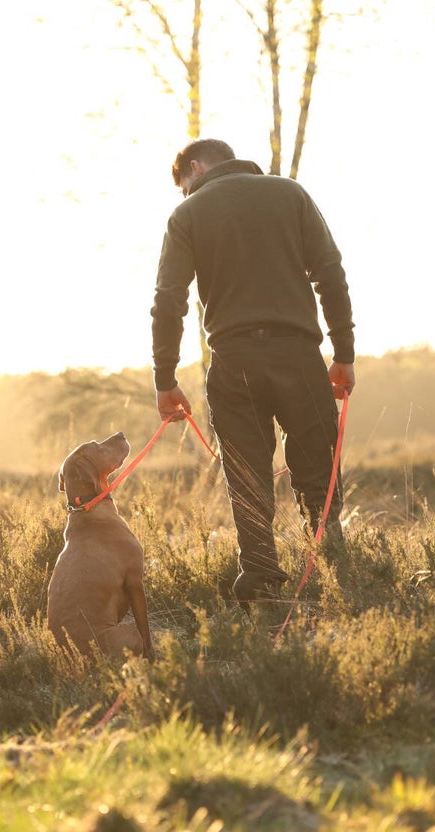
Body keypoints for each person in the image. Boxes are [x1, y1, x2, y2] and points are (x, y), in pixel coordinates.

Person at [151, 138, 355, 611]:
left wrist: (165, 379)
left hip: (234, 361)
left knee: (247, 477)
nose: (184, 195)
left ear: (195, 168)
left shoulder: (188, 215)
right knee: (317, 473)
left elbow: (169, 300)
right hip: (299, 355)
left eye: (183, 186)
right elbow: (330, 272)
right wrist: (343, 351)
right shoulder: (291, 194)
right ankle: (336, 570)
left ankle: (262, 583)